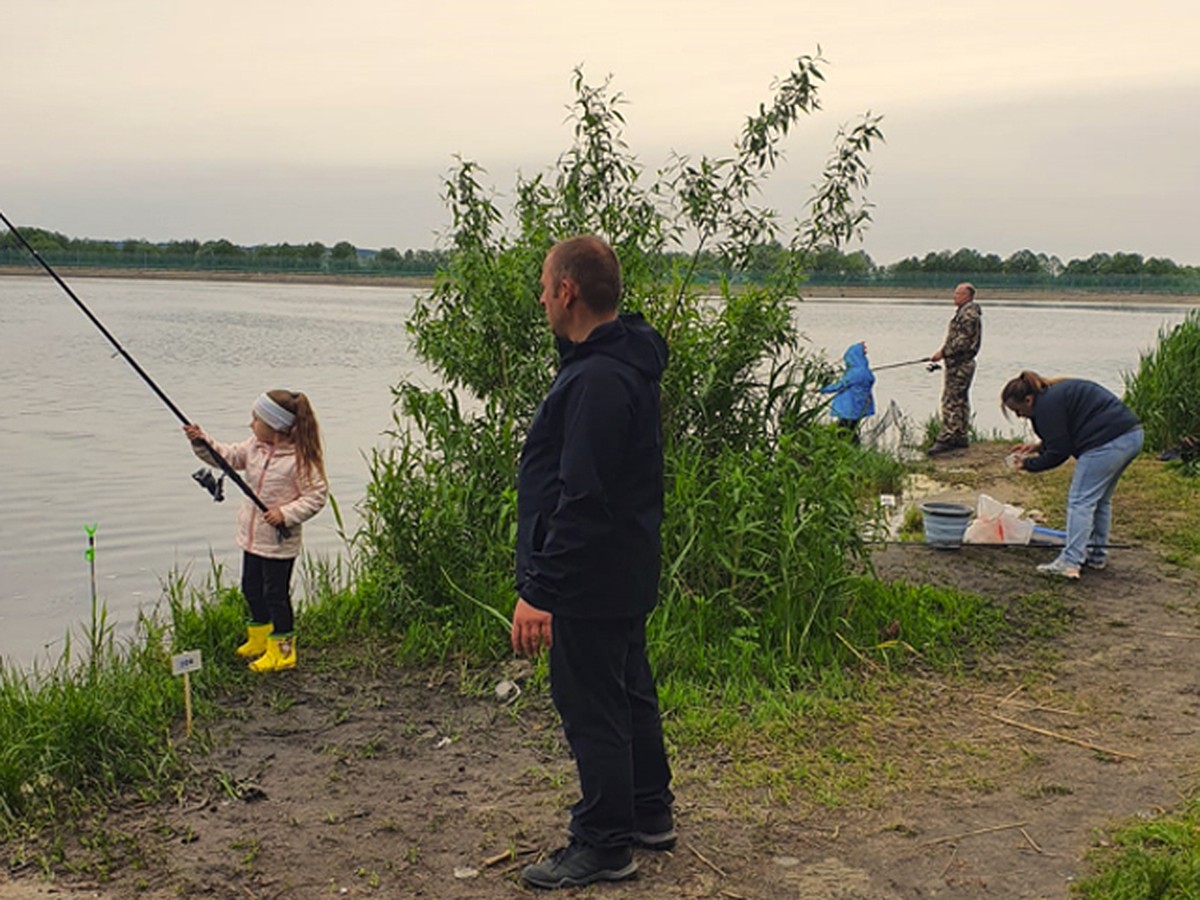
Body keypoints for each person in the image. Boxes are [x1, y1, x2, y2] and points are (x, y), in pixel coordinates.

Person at [511, 236, 674, 890]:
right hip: (623, 568)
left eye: (546, 285)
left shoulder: (599, 379)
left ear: (567, 291)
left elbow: (581, 497)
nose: (542, 297)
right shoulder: (612, 364)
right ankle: (648, 811)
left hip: (591, 577)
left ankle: (604, 843)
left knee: (593, 706)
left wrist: (541, 591)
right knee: (628, 691)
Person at [184, 390, 328, 671]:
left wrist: (284, 514)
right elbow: (226, 457)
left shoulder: (300, 460)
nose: (251, 424)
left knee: (276, 595)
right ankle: (260, 638)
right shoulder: (253, 447)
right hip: (252, 539)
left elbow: (316, 496)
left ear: (275, 426)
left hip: (278, 544)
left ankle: (283, 652)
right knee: (251, 588)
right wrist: (202, 442)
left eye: (256, 419)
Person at [1001, 371, 1144, 579]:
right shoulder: (1052, 395)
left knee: (1080, 502)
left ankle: (1070, 562)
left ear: (1028, 400)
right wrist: (1037, 447)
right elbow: (1063, 434)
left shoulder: (1045, 407)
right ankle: (1096, 555)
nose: (1018, 415)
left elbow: (1059, 452)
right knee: (1100, 501)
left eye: (1017, 409)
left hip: (1106, 443)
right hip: (1132, 435)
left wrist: (1027, 465)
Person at [928, 282, 982, 455]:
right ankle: (960, 435)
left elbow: (962, 342)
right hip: (958, 364)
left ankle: (949, 437)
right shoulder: (964, 313)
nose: (954, 296)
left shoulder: (968, 316)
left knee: (952, 400)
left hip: (961, 364)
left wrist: (942, 353)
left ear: (968, 296)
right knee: (960, 400)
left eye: (958, 294)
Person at [819, 341, 876, 443]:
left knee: (844, 430)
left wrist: (822, 389)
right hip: (859, 408)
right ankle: (852, 449)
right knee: (851, 429)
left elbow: (839, 385)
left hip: (849, 409)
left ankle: (850, 449)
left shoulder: (854, 373)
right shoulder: (866, 372)